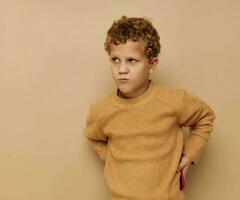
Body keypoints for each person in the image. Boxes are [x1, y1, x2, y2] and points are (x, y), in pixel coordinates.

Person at [83, 15, 216, 200]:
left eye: (132, 60)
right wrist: (112, 161)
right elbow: (93, 136)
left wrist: (190, 154)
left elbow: (204, 117)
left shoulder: (172, 101)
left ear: (151, 65)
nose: (122, 69)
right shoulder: (102, 110)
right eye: (115, 60)